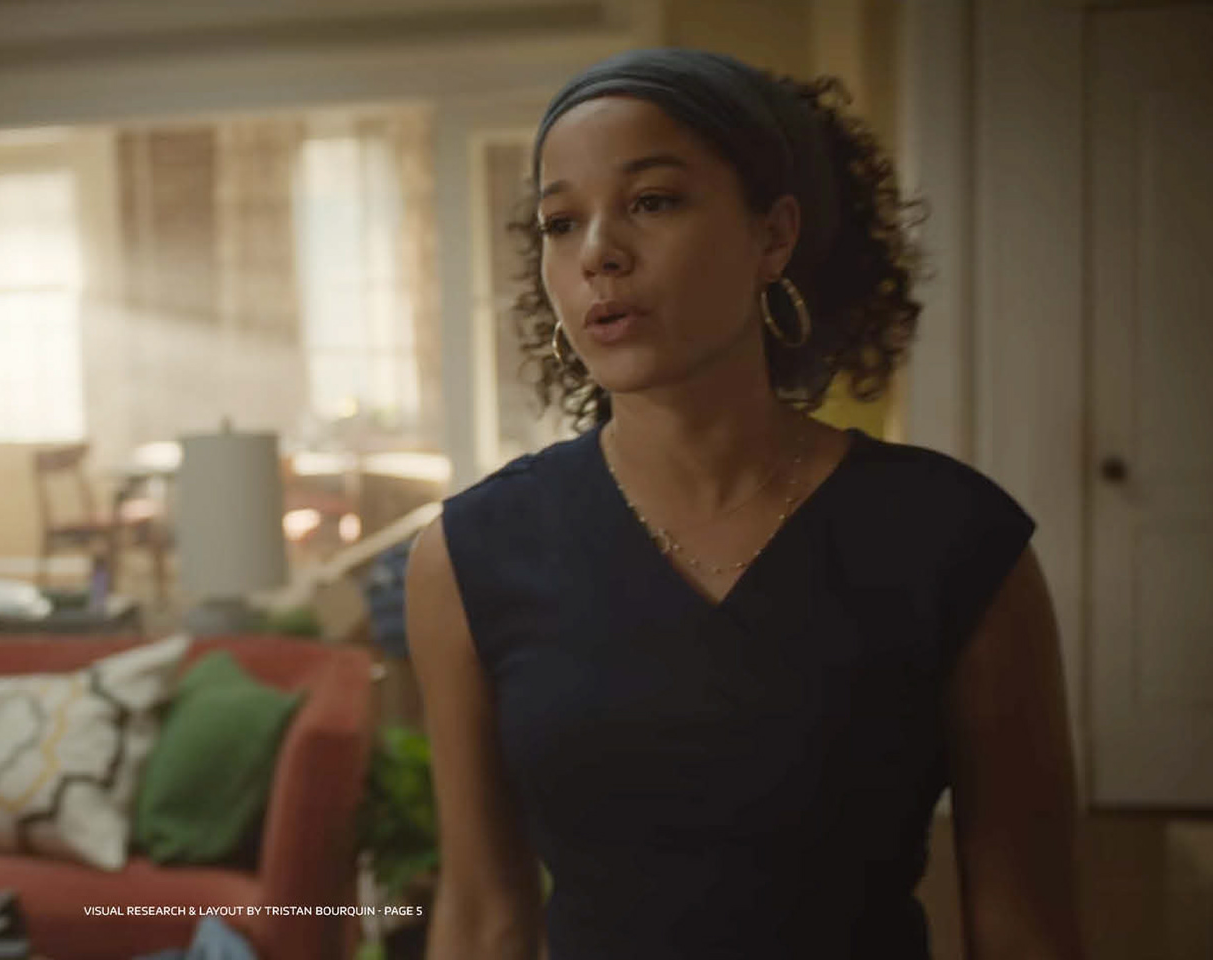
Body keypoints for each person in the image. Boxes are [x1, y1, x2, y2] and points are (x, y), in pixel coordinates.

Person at [407, 48, 1084, 959]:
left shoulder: (955, 541)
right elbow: (482, 917)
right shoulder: (470, 556)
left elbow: (1027, 928)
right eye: (560, 223)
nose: (598, 251)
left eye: (653, 201)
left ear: (773, 236)